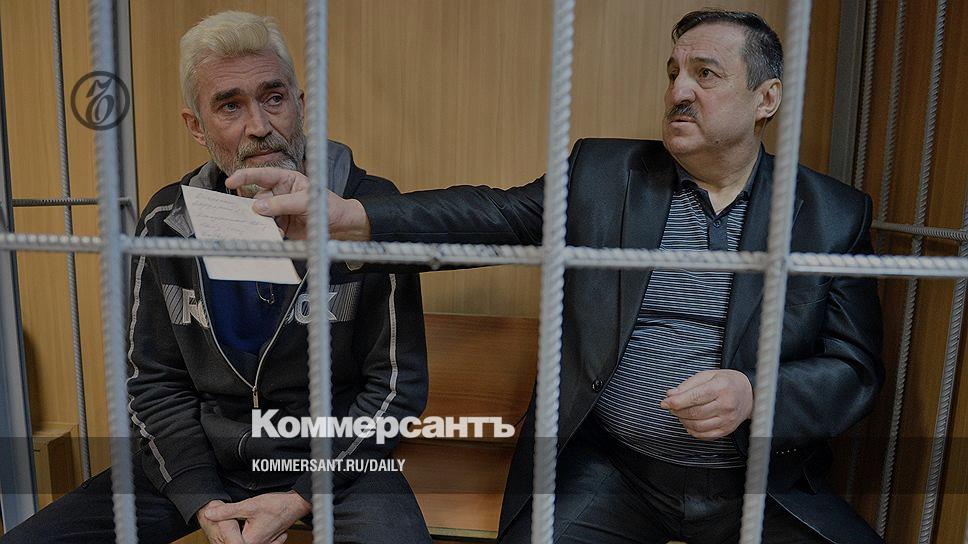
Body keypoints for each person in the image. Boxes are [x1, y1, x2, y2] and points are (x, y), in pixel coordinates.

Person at [231, 9, 885, 544]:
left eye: (705, 74)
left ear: (767, 98)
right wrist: (351, 217)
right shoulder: (605, 174)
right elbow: (493, 215)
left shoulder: (831, 216)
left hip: (760, 483)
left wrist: (754, 394)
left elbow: (854, 369)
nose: (678, 91)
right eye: (673, 73)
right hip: (614, 473)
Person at [1, 11, 431, 544]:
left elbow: (395, 386)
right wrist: (201, 498)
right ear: (196, 126)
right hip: (203, 458)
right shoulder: (167, 222)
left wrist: (302, 494)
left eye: (274, 98)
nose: (260, 125)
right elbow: (152, 383)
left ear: (301, 104)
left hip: (336, 460)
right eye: (230, 106)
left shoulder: (368, 211)